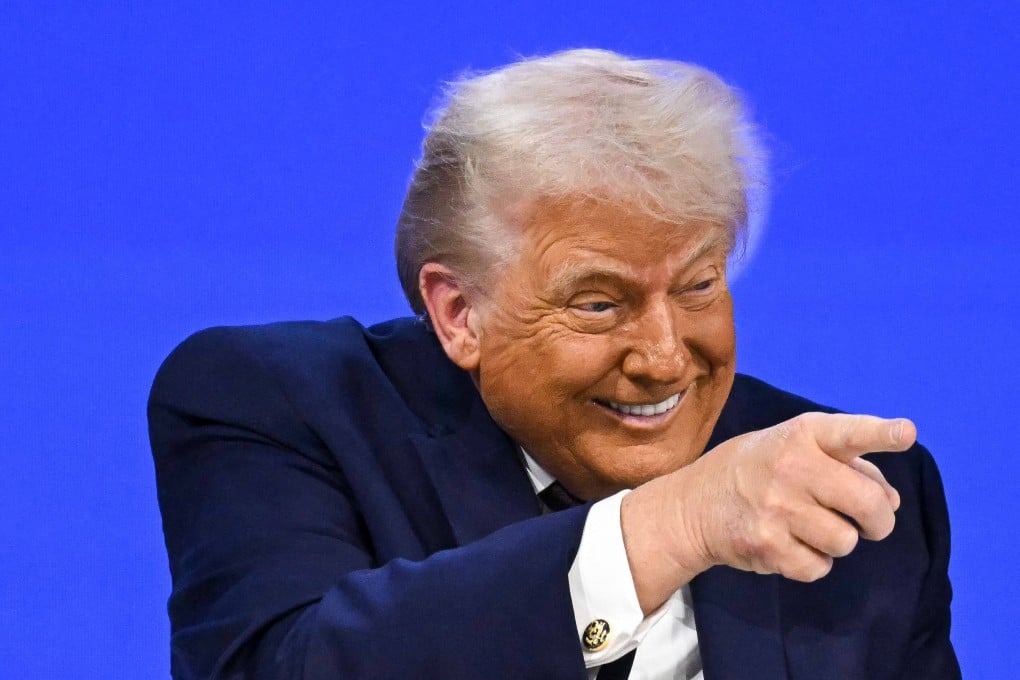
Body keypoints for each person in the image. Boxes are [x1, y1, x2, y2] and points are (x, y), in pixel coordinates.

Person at [149, 49, 960, 679]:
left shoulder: (841, 495)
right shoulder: (274, 405)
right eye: (599, 304)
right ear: (459, 313)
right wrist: (674, 523)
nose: (665, 357)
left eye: (699, 285)